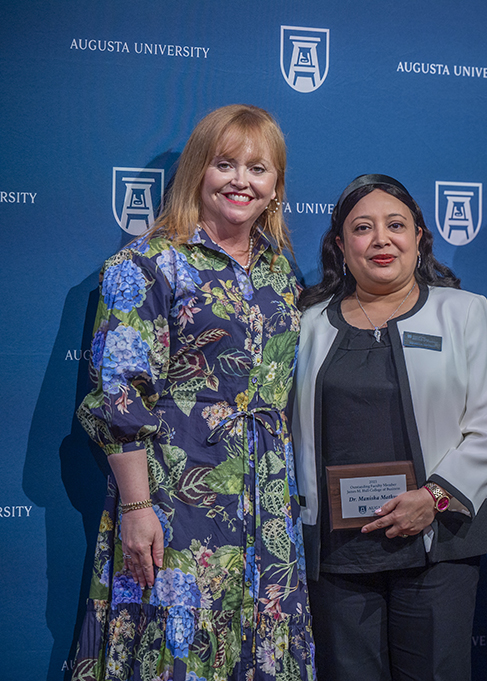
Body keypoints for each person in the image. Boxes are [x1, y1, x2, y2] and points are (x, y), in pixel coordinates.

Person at [73, 104, 315, 680]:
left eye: (258, 169)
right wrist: (136, 507)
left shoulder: (283, 272)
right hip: (177, 494)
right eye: (225, 163)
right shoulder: (147, 263)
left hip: (268, 499)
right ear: (197, 173)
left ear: (276, 186)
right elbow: (120, 394)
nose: (241, 180)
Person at [293, 174, 487, 681]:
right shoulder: (306, 322)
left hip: (438, 539)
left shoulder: (464, 312)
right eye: (362, 228)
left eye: (396, 225)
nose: (381, 239)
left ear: (419, 237)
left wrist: (432, 498)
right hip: (337, 554)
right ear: (341, 246)